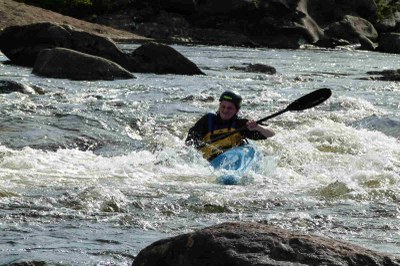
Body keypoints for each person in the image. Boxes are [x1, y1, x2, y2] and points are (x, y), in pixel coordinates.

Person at [185, 90, 275, 161]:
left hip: (235, 159)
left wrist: (257, 127)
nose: (225, 110)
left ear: (237, 110)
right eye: (223, 107)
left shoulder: (241, 124)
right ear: (219, 106)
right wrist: (197, 145)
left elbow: (271, 133)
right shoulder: (207, 121)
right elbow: (190, 141)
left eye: (230, 108)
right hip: (212, 161)